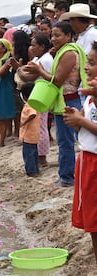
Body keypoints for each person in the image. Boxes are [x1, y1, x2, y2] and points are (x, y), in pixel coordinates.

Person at [24, 21, 86, 187]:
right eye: (53, 35)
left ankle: (67, 177)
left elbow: (57, 81)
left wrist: (39, 71)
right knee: (64, 140)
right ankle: (65, 175)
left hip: (68, 100)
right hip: (67, 99)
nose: (54, 38)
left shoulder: (69, 54)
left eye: (58, 35)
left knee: (65, 141)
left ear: (68, 35)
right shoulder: (63, 51)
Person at [63, 40, 97, 264]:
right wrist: (76, 119)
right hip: (86, 160)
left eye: (92, 63)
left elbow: (88, 123)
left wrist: (81, 121)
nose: (86, 67)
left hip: (94, 162)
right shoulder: (91, 97)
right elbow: (84, 124)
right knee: (93, 223)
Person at [18, 33, 53, 166]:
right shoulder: (41, 58)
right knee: (41, 125)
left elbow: (27, 78)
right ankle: (40, 156)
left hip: (41, 94)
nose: (31, 48)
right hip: (40, 93)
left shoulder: (44, 60)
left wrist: (17, 68)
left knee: (41, 126)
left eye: (34, 45)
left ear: (42, 46)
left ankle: (42, 157)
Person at [19, 82, 40, 177]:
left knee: (28, 154)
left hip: (28, 135)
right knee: (33, 153)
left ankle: (32, 171)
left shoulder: (29, 105)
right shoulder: (35, 104)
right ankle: (35, 169)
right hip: (34, 134)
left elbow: (32, 114)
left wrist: (24, 122)